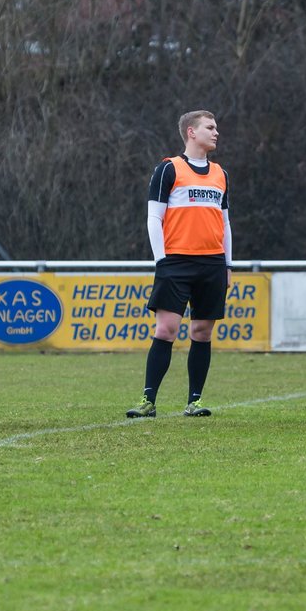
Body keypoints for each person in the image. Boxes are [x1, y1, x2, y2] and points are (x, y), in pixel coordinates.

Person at [126, 110, 232, 419]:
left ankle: (195, 401)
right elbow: (153, 217)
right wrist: (162, 260)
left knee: (201, 332)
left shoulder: (220, 174)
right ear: (191, 132)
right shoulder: (168, 169)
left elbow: (225, 224)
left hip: (212, 263)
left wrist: (227, 265)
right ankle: (148, 401)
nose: (216, 133)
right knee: (167, 329)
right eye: (209, 128)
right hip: (176, 261)